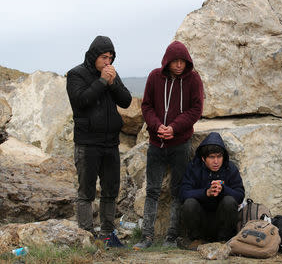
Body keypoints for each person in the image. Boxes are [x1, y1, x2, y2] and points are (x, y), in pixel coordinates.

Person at [134, 41, 204, 249]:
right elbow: (146, 106)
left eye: (183, 61)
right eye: (175, 61)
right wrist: (157, 127)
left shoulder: (193, 79)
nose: (179, 65)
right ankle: (146, 236)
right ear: (167, 61)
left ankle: (171, 238)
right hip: (156, 143)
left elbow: (196, 109)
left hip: (180, 142)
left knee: (177, 190)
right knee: (153, 190)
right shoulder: (155, 77)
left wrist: (174, 127)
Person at [66, 35, 132, 241]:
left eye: (111, 58)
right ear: (94, 56)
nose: (108, 62)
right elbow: (81, 101)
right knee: (86, 191)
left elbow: (126, 101)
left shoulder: (112, 74)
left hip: (110, 142)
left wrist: (112, 83)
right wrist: (103, 81)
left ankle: (107, 234)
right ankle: (86, 235)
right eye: (104, 57)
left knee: (110, 190)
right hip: (87, 143)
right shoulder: (76, 74)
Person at [179, 132, 245, 248]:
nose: (216, 161)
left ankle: (224, 240)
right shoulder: (194, 168)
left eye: (219, 157)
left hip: (223, 223)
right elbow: (183, 193)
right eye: (212, 157)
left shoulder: (230, 168)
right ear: (203, 158)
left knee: (229, 201)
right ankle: (196, 239)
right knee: (189, 203)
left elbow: (240, 195)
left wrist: (224, 190)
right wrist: (206, 192)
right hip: (201, 222)